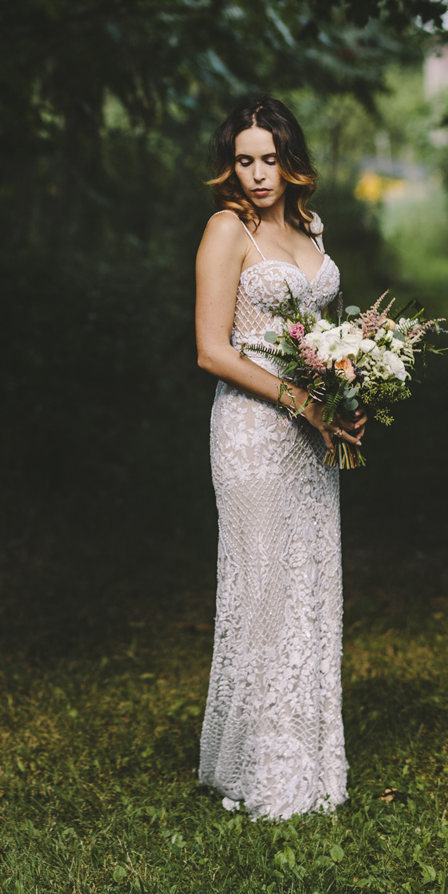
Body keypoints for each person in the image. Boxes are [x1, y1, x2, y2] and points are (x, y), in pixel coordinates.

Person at [194, 96, 362, 820]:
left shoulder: (311, 227)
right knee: (262, 592)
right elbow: (211, 350)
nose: (257, 174)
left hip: (311, 436)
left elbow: (318, 334)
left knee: (308, 587)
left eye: (268, 158)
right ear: (230, 165)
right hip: (253, 434)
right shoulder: (226, 229)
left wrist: (352, 381)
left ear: (291, 162)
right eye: (244, 160)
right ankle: (260, 770)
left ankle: (312, 762)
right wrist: (300, 403)